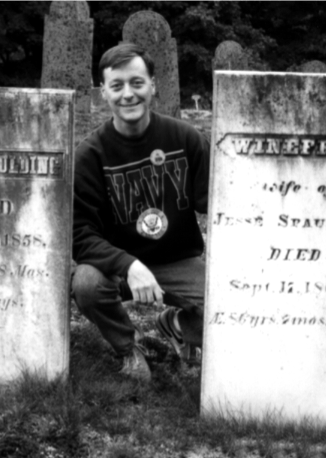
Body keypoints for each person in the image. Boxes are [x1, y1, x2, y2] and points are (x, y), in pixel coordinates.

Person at [71, 43, 210, 381]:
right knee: (86, 284)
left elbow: (217, 205)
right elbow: (80, 235)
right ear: (103, 92)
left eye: (137, 83)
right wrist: (129, 265)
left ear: (153, 85)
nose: (128, 94)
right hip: (116, 268)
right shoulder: (89, 155)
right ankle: (128, 347)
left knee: (235, 308)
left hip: (178, 261)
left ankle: (177, 325)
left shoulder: (186, 138)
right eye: (117, 85)